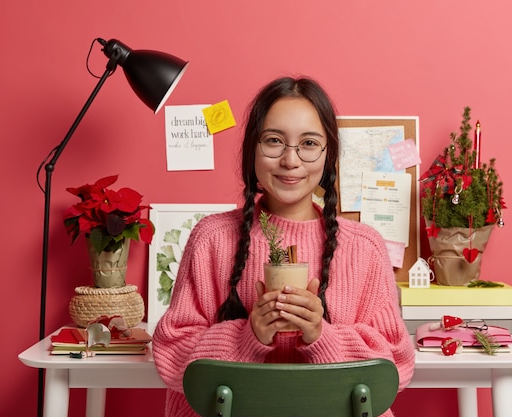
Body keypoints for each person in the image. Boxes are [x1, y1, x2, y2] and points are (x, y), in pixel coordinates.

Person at [153, 76, 415, 416]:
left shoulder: (364, 248)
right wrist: (250, 335)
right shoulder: (213, 239)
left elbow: (395, 365)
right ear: (253, 149)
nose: (290, 160)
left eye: (308, 143)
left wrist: (322, 336)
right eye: (274, 141)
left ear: (328, 154)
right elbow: (172, 355)